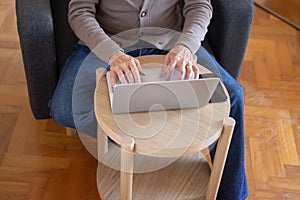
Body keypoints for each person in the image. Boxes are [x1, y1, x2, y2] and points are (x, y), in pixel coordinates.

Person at [48, 0, 248, 199]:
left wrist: (186, 46)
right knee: (63, 108)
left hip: (170, 44)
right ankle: (131, 141)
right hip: (108, 43)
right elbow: (79, 12)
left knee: (232, 96)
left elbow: (200, 6)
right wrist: (111, 53)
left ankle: (232, 195)